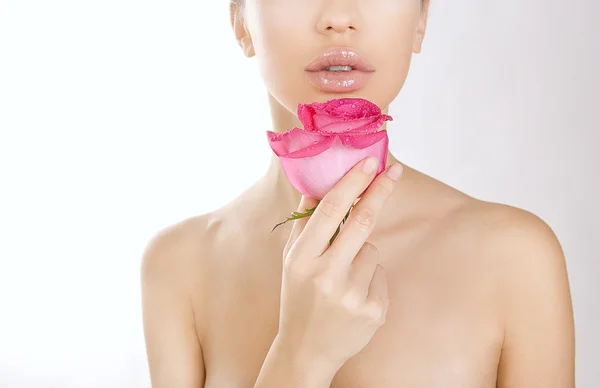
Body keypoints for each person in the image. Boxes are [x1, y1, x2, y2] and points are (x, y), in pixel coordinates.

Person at [141, 0, 575, 387]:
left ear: (421, 17)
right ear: (240, 20)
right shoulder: (179, 265)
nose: (339, 18)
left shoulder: (515, 258)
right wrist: (301, 356)